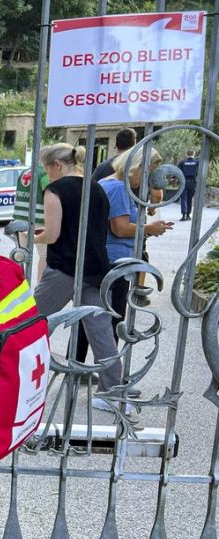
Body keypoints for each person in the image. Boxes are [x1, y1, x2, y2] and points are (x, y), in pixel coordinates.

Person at [32, 143, 123, 410]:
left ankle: (11, 378)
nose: (47, 175)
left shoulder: (56, 190)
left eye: (47, 169)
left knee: (29, 320)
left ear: (56, 165)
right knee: (100, 331)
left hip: (65, 268)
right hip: (95, 268)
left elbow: (53, 235)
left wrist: (30, 235)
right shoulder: (96, 188)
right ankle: (112, 393)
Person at [75, 147, 174, 381]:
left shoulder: (109, 183)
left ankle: (78, 369)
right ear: (137, 166)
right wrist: (149, 228)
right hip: (115, 263)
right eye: (148, 171)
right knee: (113, 320)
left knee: (90, 319)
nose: (148, 178)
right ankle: (111, 380)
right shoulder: (119, 188)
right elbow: (119, 228)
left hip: (105, 260)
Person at [12, 163, 49, 281]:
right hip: (38, 219)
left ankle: (12, 284)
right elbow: (50, 193)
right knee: (45, 256)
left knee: (20, 254)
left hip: (20, 218)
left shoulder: (26, 171)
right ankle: (40, 289)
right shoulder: (44, 174)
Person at [179, 149, 200, 221]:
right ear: (194, 154)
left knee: (183, 198)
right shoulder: (197, 162)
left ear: (186, 154)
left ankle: (183, 215)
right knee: (189, 199)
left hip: (184, 182)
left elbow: (178, 172)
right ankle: (188, 215)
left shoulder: (182, 162)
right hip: (193, 182)